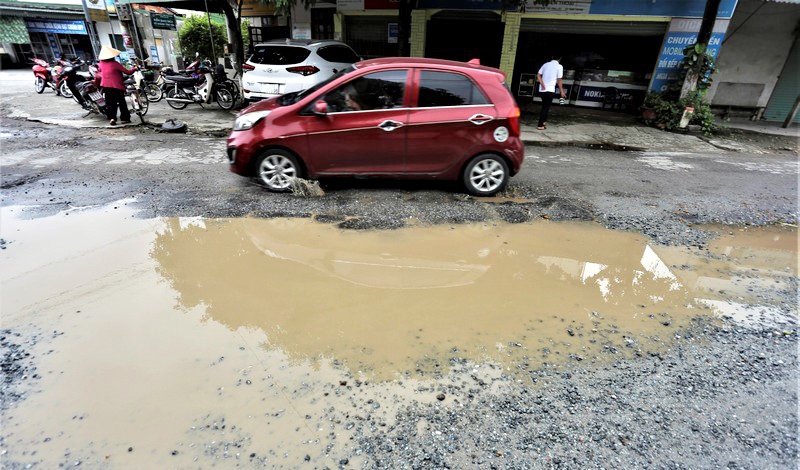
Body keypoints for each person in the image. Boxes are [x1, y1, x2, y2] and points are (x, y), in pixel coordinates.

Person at [96, 45, 133, 126]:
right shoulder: (115, 64)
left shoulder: (101, 64)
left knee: (110, 103)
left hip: (106, 87)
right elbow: (128, 72)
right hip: (117, 86)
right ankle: (125, 118)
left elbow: (99, 73)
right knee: (121, 102)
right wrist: (135, 69)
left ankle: (112, 118)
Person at [536, 53, 566, 130]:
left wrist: (542, 84)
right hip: (550, 90)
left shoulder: (545, 64)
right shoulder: (559, 66)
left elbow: (538, 75)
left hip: (542, 90)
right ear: (560, 58)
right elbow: (559, 80)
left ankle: (544, 122)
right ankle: (540, 125)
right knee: (545, 108)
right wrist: (562, 91)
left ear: (552, 57)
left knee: (544, 106)